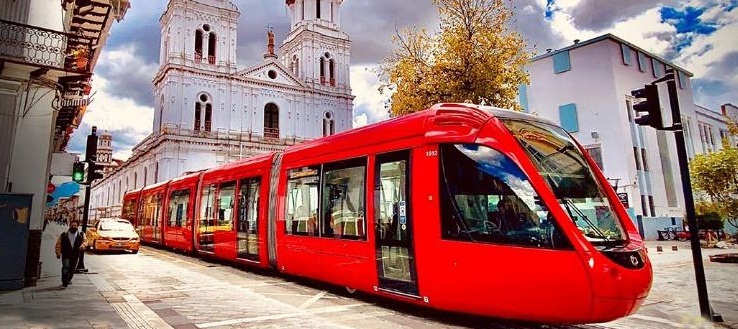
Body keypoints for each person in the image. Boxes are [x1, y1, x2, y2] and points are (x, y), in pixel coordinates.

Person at [55, 219, 87, 287]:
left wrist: (82, 246)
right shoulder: (64, 235)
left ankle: (68, 279)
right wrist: (58, 253)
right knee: (66, 267)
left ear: (77, 226)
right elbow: (58, 244)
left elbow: (85, 241)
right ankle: (64, 281)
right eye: (72, 225)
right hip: (66, 254)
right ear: (69, 226)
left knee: (72, 268)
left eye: (75, 225)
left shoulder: (81, 234)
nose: (73, 227)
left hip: (75, 255)